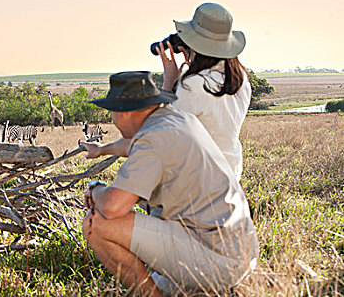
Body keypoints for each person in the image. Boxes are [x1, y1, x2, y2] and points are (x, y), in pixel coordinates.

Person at [82, 71, 258, 296]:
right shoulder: (175, 119)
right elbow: (130, 145)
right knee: (166, 286)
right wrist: (101, 150)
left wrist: (96, 188)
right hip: (238, 252)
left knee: (97, 224)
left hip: (217, 260)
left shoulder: (152, 140)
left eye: (113, 113)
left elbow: (112, 206)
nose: (113, 120)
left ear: (122, 112)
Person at [157, 2, 251, 182]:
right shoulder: (241, 80)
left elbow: (163, 132)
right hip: (230, 176)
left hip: (198, 184)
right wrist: (193, 65)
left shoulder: (194, 85)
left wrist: (169, 82)